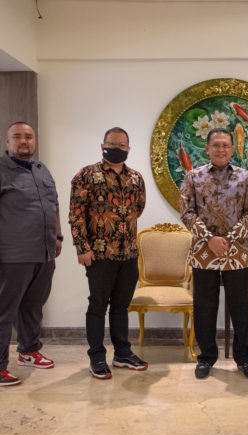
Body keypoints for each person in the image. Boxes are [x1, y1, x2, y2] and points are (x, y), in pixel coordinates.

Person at [180, 128, 248, 379]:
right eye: (216, 144)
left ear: (232, 148)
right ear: (207, 148)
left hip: (236, 251)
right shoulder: (193, 177)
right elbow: (187, 212)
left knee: (240, 308)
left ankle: (245, 359)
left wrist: (228, 239)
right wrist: (209, 239)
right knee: (204, 308)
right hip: (204, 252)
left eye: (225, 145)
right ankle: (206, 358)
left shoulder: (246, 178)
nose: (221, 149)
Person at [69, 127, 147, 379]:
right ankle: (97, 357)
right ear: (102, 146)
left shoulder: (136, 178)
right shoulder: (86, 175)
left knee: (121, 307)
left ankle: (122, 353)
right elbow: (76, 215)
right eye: (112, 144)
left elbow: (138, 208)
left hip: (129, 254)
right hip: (99, 254)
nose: (117, 148)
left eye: (122, 145)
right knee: (98, 306)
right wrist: (82, 248)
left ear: (128, 149)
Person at [0, 122, 62, 387]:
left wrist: (58, 236)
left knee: (33, 306)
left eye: (28, 136)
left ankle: (28, 350)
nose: (23, 141)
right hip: (13, 254)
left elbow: (54, 204)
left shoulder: (41, 169)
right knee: (4, 311)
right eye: (17, 137)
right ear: (7, 142)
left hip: (44, 252)